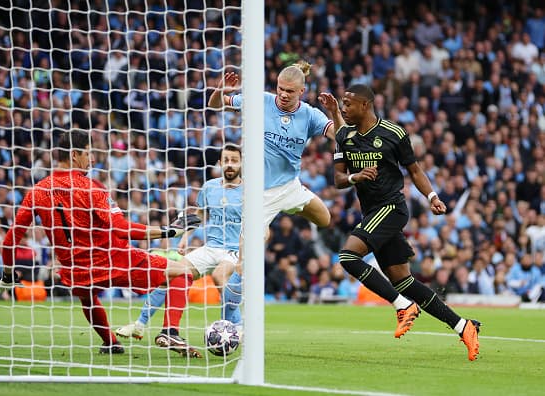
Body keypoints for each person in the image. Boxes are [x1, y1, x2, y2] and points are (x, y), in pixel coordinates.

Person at [0, 131, 202, 357]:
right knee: (183, 273)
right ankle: (170, 331)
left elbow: (9, 241)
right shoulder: (92, 188)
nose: (92, 159)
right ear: (74, 155)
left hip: (76, 271)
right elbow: (122, 229)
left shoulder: (38, 191)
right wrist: (169, 230)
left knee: (87, 298)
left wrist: (7, 274)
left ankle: (110, 342)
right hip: (114, 260)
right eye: (88, 153)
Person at [318, 84, 480, 361]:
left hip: (392, 208)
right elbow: (338, 179)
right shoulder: (343, 136)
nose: (343, 108)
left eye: (348, 104)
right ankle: (463, 326)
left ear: (365, 106)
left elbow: (415, 170)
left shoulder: (394, 133)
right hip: (371, 213)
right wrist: (356, 177)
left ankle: (403, 306)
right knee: (403, 281)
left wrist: (431, 196)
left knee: (347, 256)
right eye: (342, 105)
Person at [116, 144, 244, 339]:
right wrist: (185, 239)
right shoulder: (210, 187)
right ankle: (140, 324)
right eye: (226, 160)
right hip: (211, 247)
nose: (230, 165)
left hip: (234, 250)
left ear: (241, 163)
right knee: (172, 273)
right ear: (219, 163)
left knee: (219, 277)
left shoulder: (248, 191)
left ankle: (238, 326)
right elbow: (199, 216)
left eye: (234, 161)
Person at [208, 61, 335, 234]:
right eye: (280, 88)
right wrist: (219, 92)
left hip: (290, 185)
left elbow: (338, 134)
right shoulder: (260, 101)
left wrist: (335, 112)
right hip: (262, 191)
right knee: (254, 241)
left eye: (289, 91)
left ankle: (285, 208)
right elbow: (215, 104)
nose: (283, 94)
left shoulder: (310, 114)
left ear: (301, 91)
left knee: (324, 219)